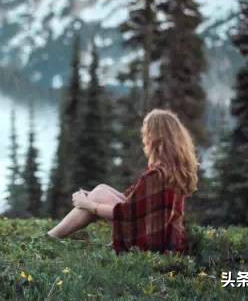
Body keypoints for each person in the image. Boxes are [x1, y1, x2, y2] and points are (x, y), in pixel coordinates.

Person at [47, 109, 199, 254]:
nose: (143, 138)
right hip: (163, 238)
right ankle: (52, 236)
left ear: (155, 137)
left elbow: (125, 213)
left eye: (146, 132)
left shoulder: (156, 175)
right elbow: (135, 203)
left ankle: (50, 237)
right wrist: (92, 197)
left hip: (150, 244)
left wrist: (88, 204)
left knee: (97, 196)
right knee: (101, 190)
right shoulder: (173, 170)